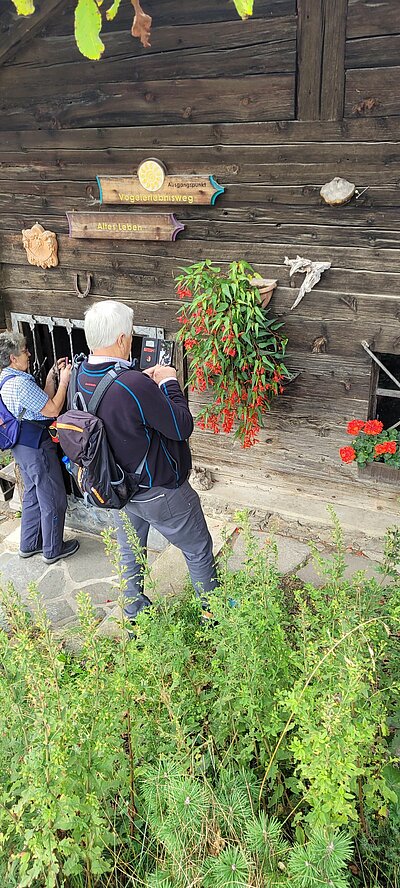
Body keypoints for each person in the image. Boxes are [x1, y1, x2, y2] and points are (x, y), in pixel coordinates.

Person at [78, 300, 218, 623]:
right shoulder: (133, 384)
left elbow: (115, 412)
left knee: (130, 554)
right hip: (159, 491)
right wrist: (169, 381)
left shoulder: (81, 375)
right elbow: (181, 425)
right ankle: (216, 615)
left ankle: (134, 618)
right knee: (198, 547)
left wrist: (143, 384)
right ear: (123, 339)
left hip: (118, 490)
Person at [0, 331, 79, 564]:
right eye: (24, 351)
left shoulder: (7, 378)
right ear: (13, 358)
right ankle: (53, 549)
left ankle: (29, 543)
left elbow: (39, 404)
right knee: (53, 496)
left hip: (21, 447)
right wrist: (65, 381)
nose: (29, 354)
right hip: (36, 448)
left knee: (34, 495)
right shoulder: (21, 385)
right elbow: (53, 409)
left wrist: (52, 376)